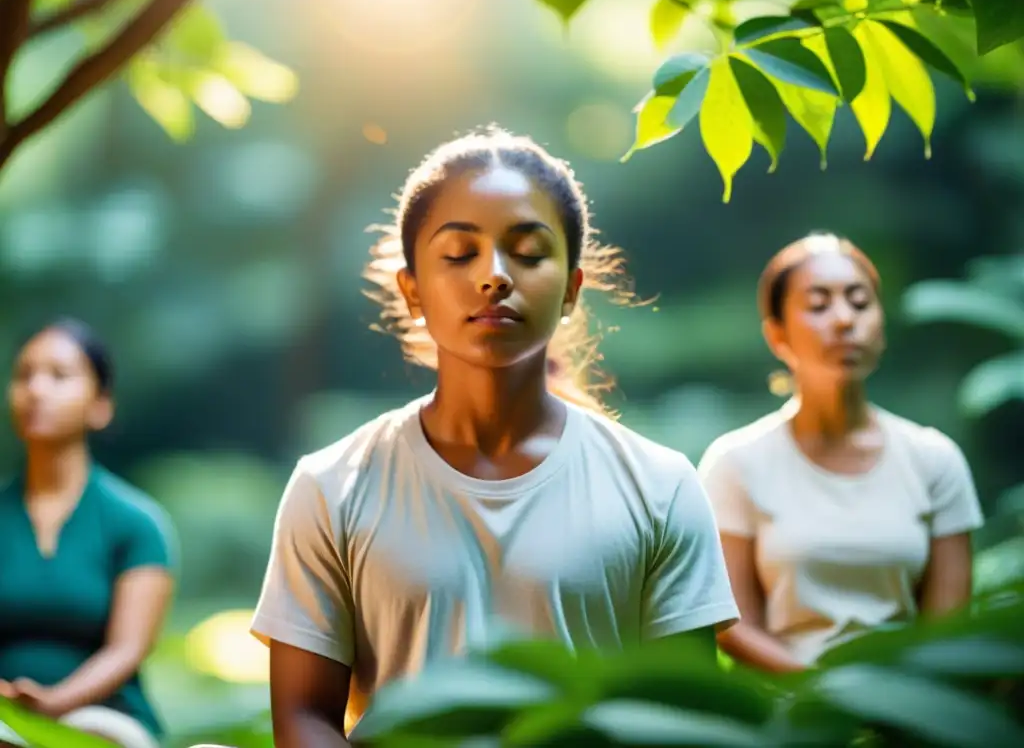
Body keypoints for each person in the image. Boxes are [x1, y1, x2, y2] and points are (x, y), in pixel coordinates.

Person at [251, 127, 740, 747]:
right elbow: (304, 715)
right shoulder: (331, 486)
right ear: (413, 291)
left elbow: (685, 717)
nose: (495, 277)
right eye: (459, 254)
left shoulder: (661, 487)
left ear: (571, 289)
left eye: (528, 252)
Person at [698, 233, 984, 673]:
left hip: (914, 715)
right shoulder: (735, 463)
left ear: (881, 325)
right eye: (818, 305)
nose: (844, 319)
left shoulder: (934, 459)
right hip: (790, 715)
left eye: (859, 302)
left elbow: (947, 630)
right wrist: (823, 694)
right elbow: (731, 623)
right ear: (777, 335)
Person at [0, 319, 177, 748]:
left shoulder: (137, 522)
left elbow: (127, 649)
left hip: (106, 719)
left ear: (101, 405)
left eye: (59, 376)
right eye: (25, 375)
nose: (36, 389)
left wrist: (52, 704)